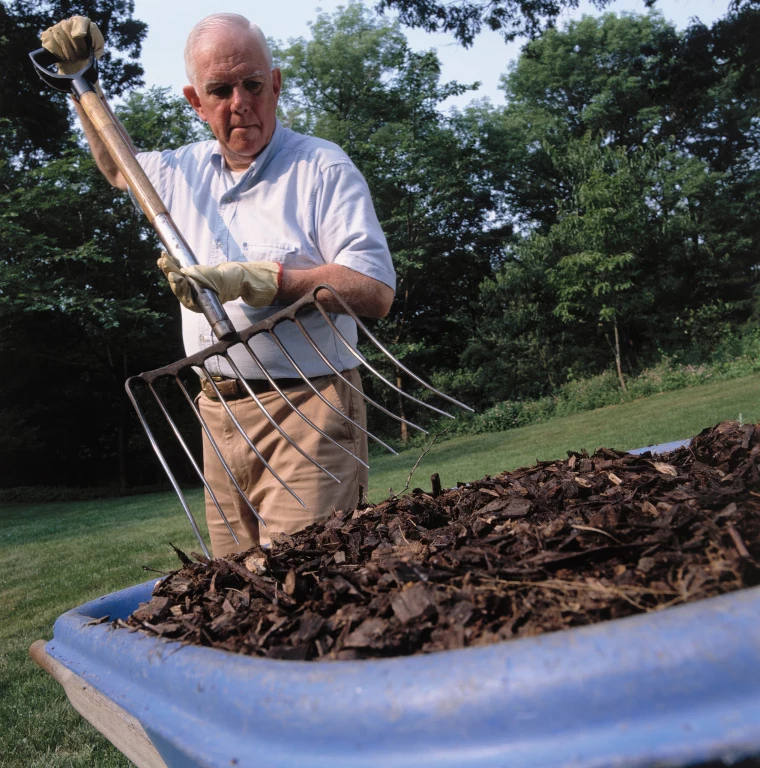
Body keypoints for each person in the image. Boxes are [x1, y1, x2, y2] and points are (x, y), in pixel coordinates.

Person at [41, 14, 396, 556]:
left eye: (253, 84)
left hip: (310, 409)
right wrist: (80, 84)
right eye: (220, 90)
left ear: (275, 85)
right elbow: (120, 168)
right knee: (235, 588)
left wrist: (267, 280)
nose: (240, 103)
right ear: (195, 101)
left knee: (305, 582)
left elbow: (375, 290)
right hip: (218, 413)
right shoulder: (181, 174)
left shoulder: (321, 168)